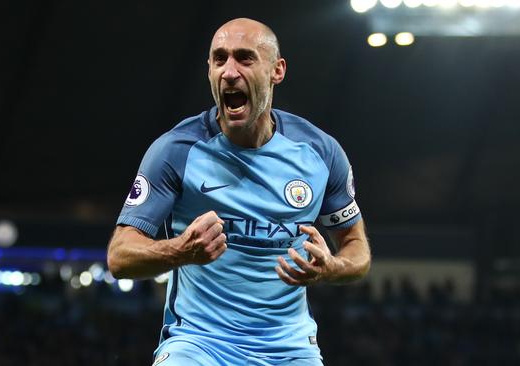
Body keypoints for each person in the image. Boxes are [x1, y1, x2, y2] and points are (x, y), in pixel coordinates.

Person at [107, 18, 371, 366]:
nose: (229, 71)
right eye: (220, 59)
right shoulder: (176, 150)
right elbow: (120, 255)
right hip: (198, 344)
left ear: (277, 71)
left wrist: (331, 269)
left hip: (289, 348)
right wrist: (180, 251)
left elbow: (357, 248)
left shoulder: (320, 153)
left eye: (244, 58)